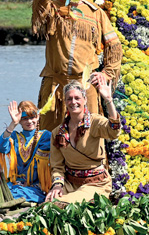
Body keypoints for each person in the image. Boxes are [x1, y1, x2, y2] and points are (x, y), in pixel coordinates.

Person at [32, 0, 123, 132]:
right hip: (55, 85)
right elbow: (38, 10)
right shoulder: (54, 8)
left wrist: (105, 73)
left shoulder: (96, 12)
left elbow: (114, 47)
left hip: (85, 84)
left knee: (88, 134)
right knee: (49, 137)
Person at [44, 77, 120, 205]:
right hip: (70, 184)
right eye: (69, 99)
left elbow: (113, 131)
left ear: (85, 100)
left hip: (95, 184)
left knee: (62, 204)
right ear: (65, 102)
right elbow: (57, 166)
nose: (73, 102)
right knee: (48, 204)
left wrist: (108, 100)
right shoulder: (57, 132)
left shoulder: (95, 122)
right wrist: (57, 185)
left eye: (77, 98)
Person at [0, 100, 52, 204]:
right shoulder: (14, 137)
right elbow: (1, 147)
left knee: (12, 194)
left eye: (32, 117)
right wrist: (13, 123)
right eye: (25, 118)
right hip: (16, 184)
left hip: (37, 187)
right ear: (20, 121)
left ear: (38, 117)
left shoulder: (46, 136)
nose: (29, 121)